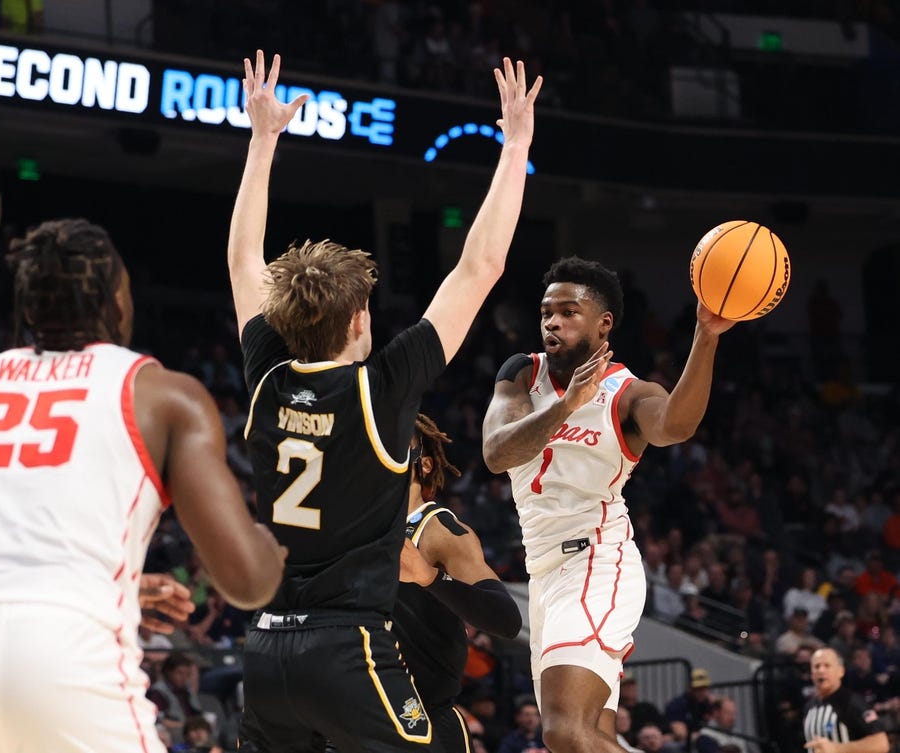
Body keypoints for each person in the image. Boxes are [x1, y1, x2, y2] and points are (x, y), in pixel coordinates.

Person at [0, 218, 285, 753]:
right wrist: (275, 544)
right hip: (67, 653)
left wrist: (120, 588)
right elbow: (246, 582)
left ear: (30, 306)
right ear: (117, 299)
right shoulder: (162, 395)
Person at [229, 50, 540, 753]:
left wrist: (262, 140)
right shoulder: (382, 386)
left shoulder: (267, 379)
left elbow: (244, 263)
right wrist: (515, 145)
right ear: (360, 321)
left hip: (264, 650)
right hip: (345, 649)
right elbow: (479, 266)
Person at [482, 255, 736, 753]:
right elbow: (497, 452)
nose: (552, 321)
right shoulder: (520, 374)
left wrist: (706, 336)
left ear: (604, 324)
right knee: (594, 735)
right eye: (546, 311)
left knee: (562, 731)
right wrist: (565, 406)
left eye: (568, 312)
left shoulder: (626, 393)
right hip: (543, 574)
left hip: (596, 562)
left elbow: (676, 426)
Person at [389, 414, 523, 751]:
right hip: (356, 712)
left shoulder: (440, 531)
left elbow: (506, 619)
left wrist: (429, 577)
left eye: (396, 447)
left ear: (425, 464)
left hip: (423, 718)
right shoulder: (355, 531)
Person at [803, 648, 888, 753]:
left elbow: (881, 743)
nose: (821, 670)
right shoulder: (809, 707)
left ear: (841, 671)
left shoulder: (852, 701)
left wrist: (837, 748)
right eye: (817, 666)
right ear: (812, 673)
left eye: (827, 665)